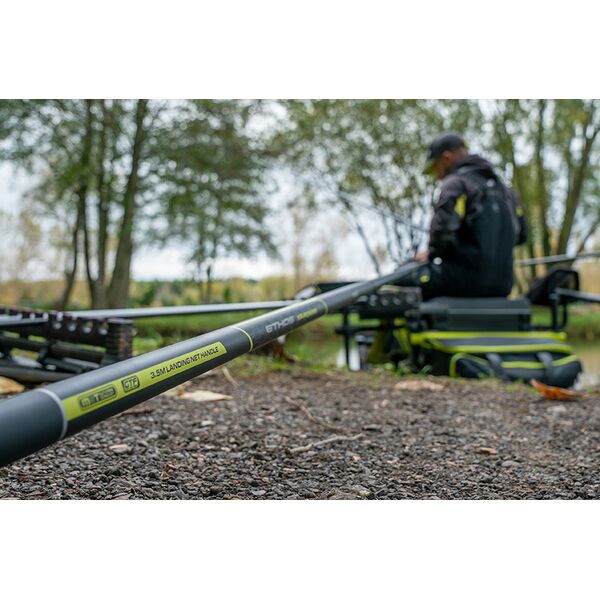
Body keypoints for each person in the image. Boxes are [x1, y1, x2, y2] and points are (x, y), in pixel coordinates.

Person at [401, 133, 528, 300]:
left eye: (435, 168)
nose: (437, 175)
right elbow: (522, 235)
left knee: (403, 274)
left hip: (463, 281)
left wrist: (431, 253)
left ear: (447, 158)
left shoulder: (456, 183)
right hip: (503, 284)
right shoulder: (506, 191)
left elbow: (442, 231)